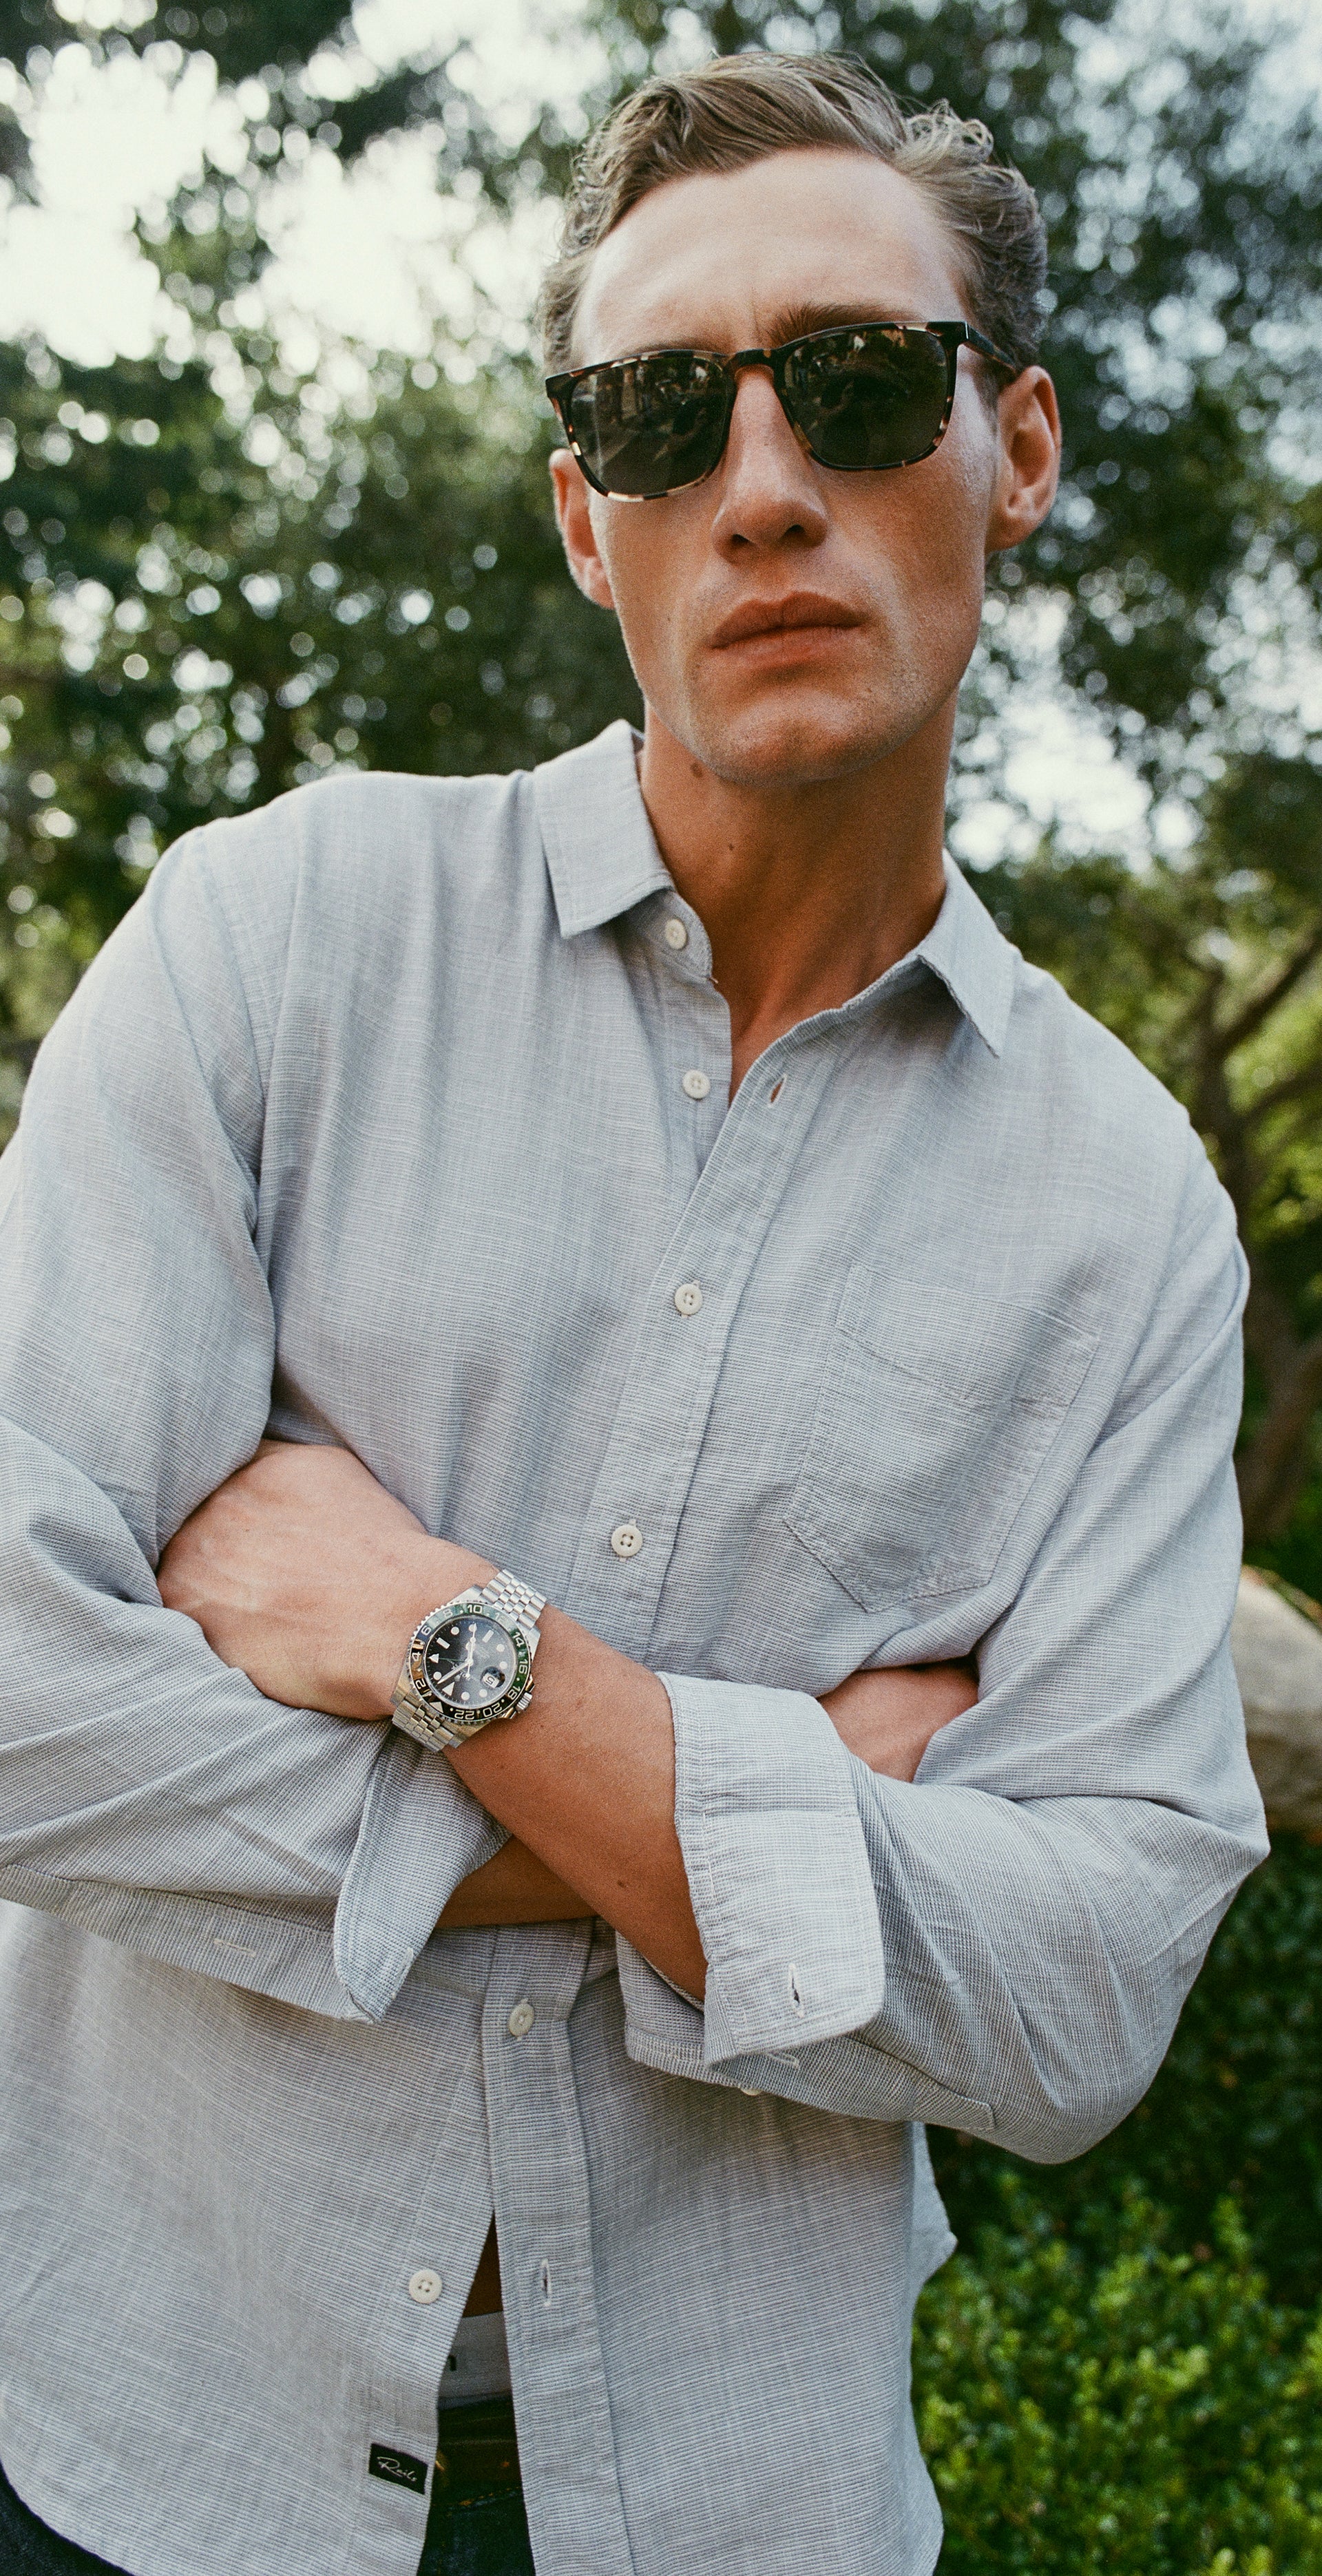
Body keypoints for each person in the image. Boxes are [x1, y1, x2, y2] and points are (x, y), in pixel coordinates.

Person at [0, 49, 1266, 2576]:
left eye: (863, 383)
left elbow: (1087, 1988)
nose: (765, 481)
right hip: (135, 2439)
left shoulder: (1128, 1215)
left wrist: (447, 1643)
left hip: (739, 2500)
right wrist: (794, 1782)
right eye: (664, 414)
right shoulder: (274, 947)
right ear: (591, 521)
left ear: (1013, 447)